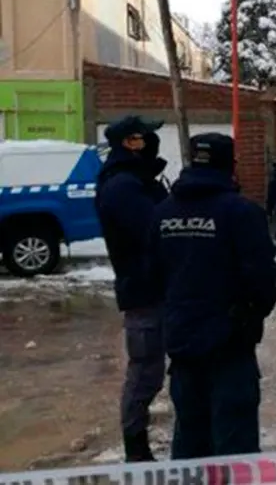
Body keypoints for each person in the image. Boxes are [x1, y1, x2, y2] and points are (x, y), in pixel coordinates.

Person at [145, 133, 276, 460]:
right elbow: (263, 277)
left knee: (190, 435)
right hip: (230, 343)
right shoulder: (242, 212)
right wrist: (250, 315)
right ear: (229, 165)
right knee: (234, 440)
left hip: (182, 340)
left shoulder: (162, 213)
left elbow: (150, 274)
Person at [94, 115, 168, 462]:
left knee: (154, 369)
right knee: (145, 373)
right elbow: (154, 229)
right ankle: (136, 448)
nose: (152, 142)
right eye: (145, 137)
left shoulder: (138, 178)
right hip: (142, 289)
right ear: (130, 142)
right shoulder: (123, 185)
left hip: (156, 286)